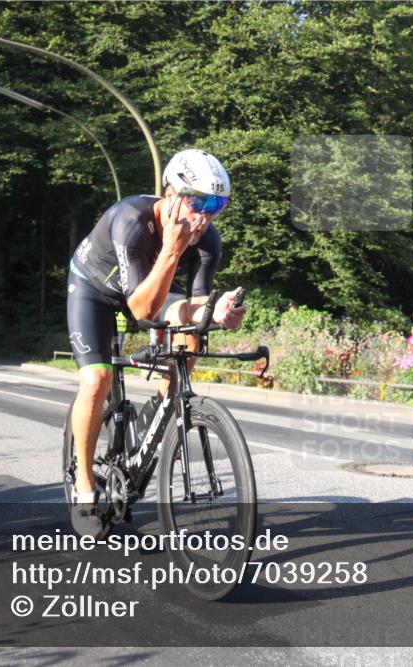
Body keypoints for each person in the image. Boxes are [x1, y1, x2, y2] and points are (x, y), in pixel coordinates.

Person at [65, 149, 246, 534]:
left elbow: (193, 303)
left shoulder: (208, 239)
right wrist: (172, 248)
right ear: (171, 193)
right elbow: (141, 309)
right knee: (96, 381)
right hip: (94, 290)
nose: (206, 214)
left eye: (218, 204)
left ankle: (162, 409)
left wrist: (216, 312)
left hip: (150, 287)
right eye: (198, 200)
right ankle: (83, 482)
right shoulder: (131, 220)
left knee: (192, 340)